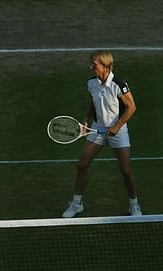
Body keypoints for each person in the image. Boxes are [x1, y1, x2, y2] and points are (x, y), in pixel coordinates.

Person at [62, 50, 142, 218]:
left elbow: (131, 107)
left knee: (126, 170)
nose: (91, 67)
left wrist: (117, 126)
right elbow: (94, 101)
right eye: (91, 63)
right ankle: (77, 203)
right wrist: (85, 119)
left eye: (94, 64)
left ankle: (134, 205)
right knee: (82, 166)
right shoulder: (92, 83)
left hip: (118, 131)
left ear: (106, 66)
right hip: (97, 129)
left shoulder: (118, 84)